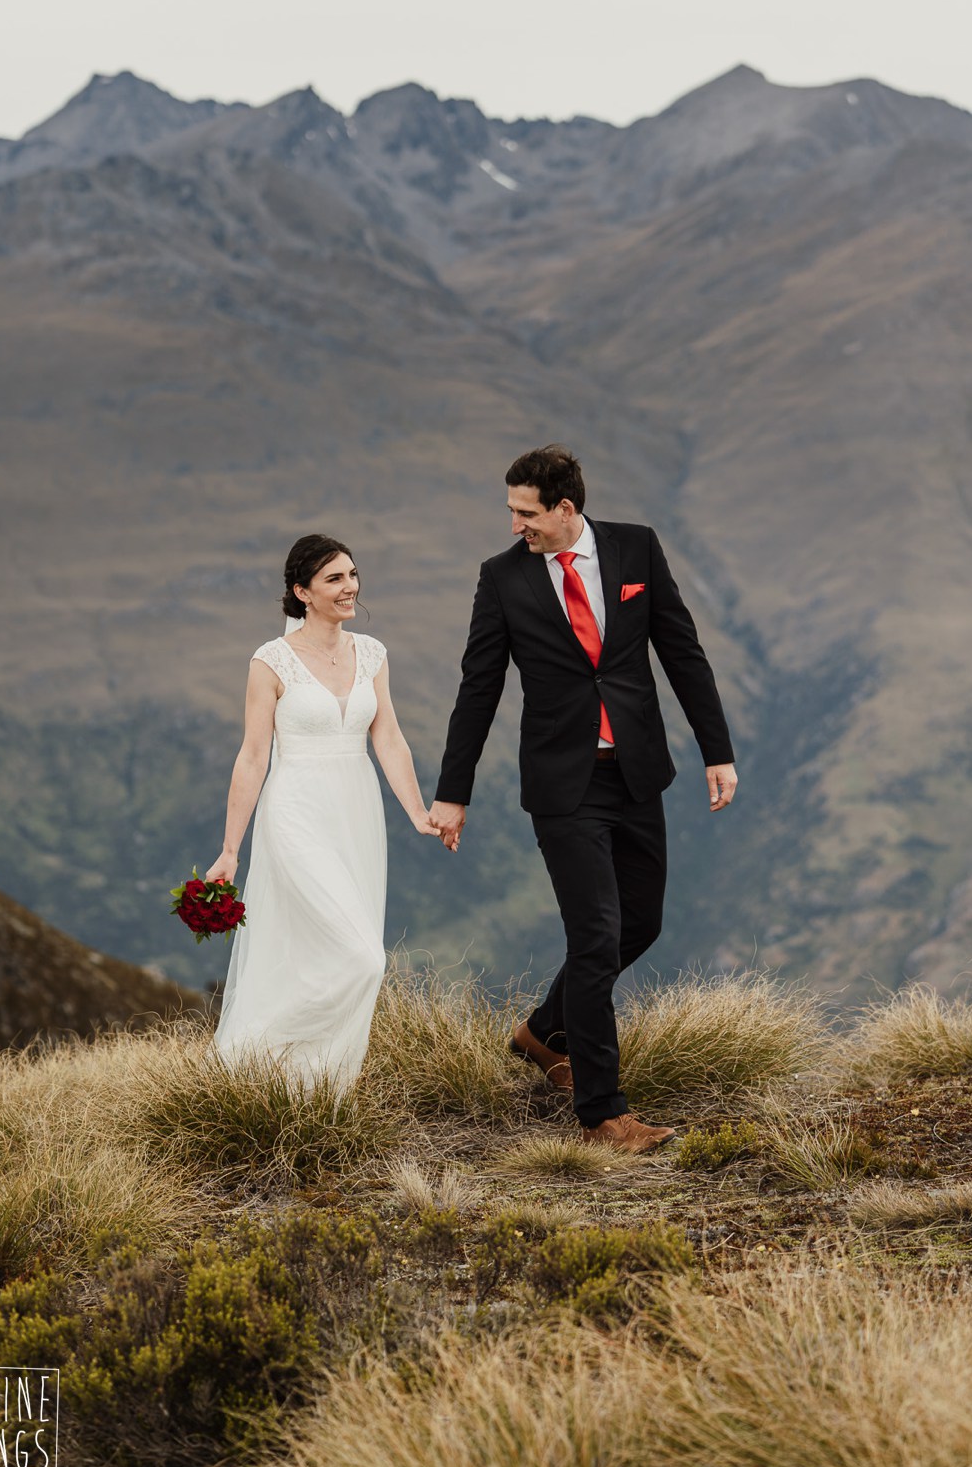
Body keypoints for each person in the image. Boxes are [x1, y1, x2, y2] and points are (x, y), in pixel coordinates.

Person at [429, 445, 738, 1155]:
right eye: (512, 510)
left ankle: (542, 1033)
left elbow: (682, 651)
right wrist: (454, 793)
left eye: (526, 512)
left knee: (642, 923)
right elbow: (479, 688)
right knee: (595, 937)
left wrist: (716, 751)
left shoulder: (637, 549)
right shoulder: (502, 579)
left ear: (566, 509)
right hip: (562, 785)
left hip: (634, 774)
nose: (515, 526)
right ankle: (603, 1114)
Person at [207, 534, 439, 1090]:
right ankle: (248, 1053)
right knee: (363, 959)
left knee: (324, 956)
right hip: (294, 815)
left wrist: (417, 813)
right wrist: (231, 850)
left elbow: (389, 739)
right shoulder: (270, 661)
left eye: (353, 574)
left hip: (356, 817)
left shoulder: (372, 653)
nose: (350, 587)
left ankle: (309, 1089)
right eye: (334, 578)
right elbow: (253, 755)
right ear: (301, 591)